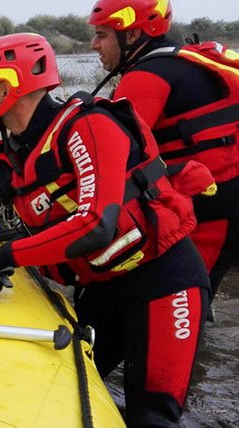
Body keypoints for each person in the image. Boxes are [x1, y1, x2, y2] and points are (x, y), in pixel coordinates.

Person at [0, 33, 210, 428]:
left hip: (163, 283)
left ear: (4, 88)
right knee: (67, 392)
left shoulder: (88, 126)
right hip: (103, 288)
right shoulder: (14, 148)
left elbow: (94, 225)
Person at [88, 0, 238, 302]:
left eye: (102, 35)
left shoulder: (146, 77)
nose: (93, 45)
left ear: (131, 36)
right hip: (223, 196)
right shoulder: (180, 60)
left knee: (185, 295)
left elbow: (109, 158)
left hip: (215, 206)